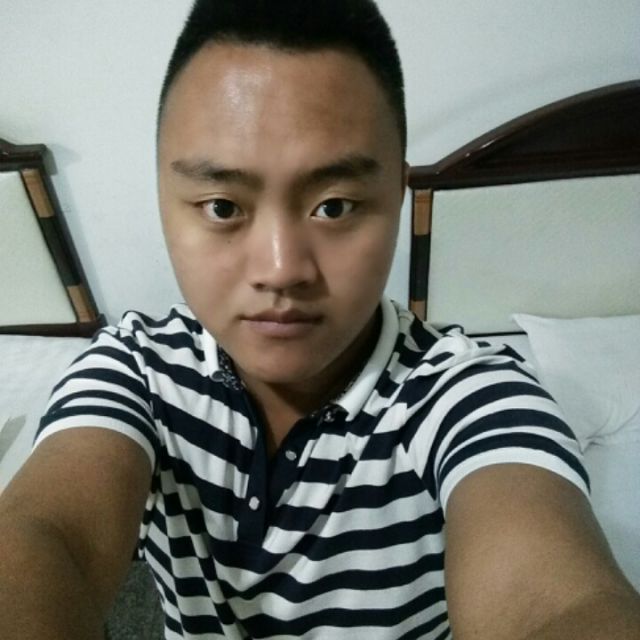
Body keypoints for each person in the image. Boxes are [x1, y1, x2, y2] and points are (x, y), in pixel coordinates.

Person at [1, 0, 639, 638]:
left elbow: (557, 606)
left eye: (334, 206)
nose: (281, 270)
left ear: (397, 198)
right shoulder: (135, 371)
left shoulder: (470, 397)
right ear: (165, 201)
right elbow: (47, 535)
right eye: (223, 206)